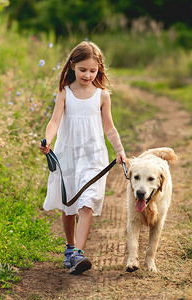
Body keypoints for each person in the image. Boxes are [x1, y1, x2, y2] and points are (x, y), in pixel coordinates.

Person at [38, 41, 127, 275]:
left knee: (86, 203)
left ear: (99, 70)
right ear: (72, 66)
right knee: (69, 206)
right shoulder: (65, 92)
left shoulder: (102, 96)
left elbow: (110, 128)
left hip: (93, 157)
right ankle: (69, 247)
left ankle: (78, 253)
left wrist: (120, 151)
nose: (87, 75)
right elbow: (55, 121)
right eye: (82, 70)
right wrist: (47, 140)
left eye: (93, 71)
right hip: (68, 155)